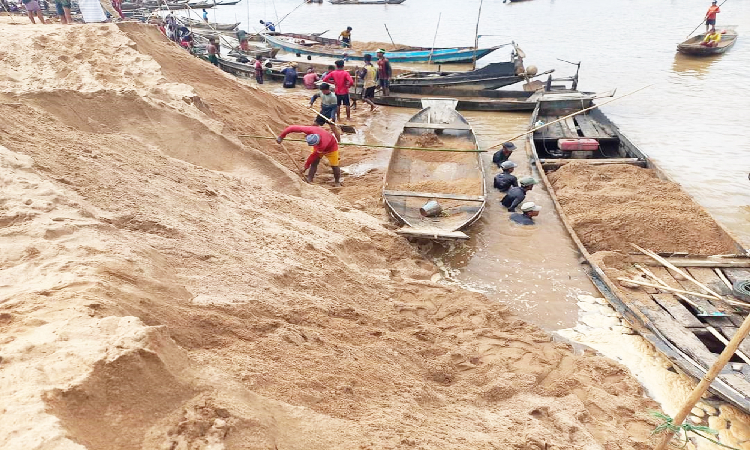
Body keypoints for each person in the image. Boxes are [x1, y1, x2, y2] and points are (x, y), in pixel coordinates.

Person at [276, 125, 342, 186]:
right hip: (318, 147)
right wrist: (281, 136)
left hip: (331, 148)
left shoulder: (323, 143)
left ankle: (337, 182)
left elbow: (313, 155)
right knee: (314, 162)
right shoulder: (310, 129)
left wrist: (305, 167)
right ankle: (310, 179)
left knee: (335, 166)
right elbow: (292, 128)